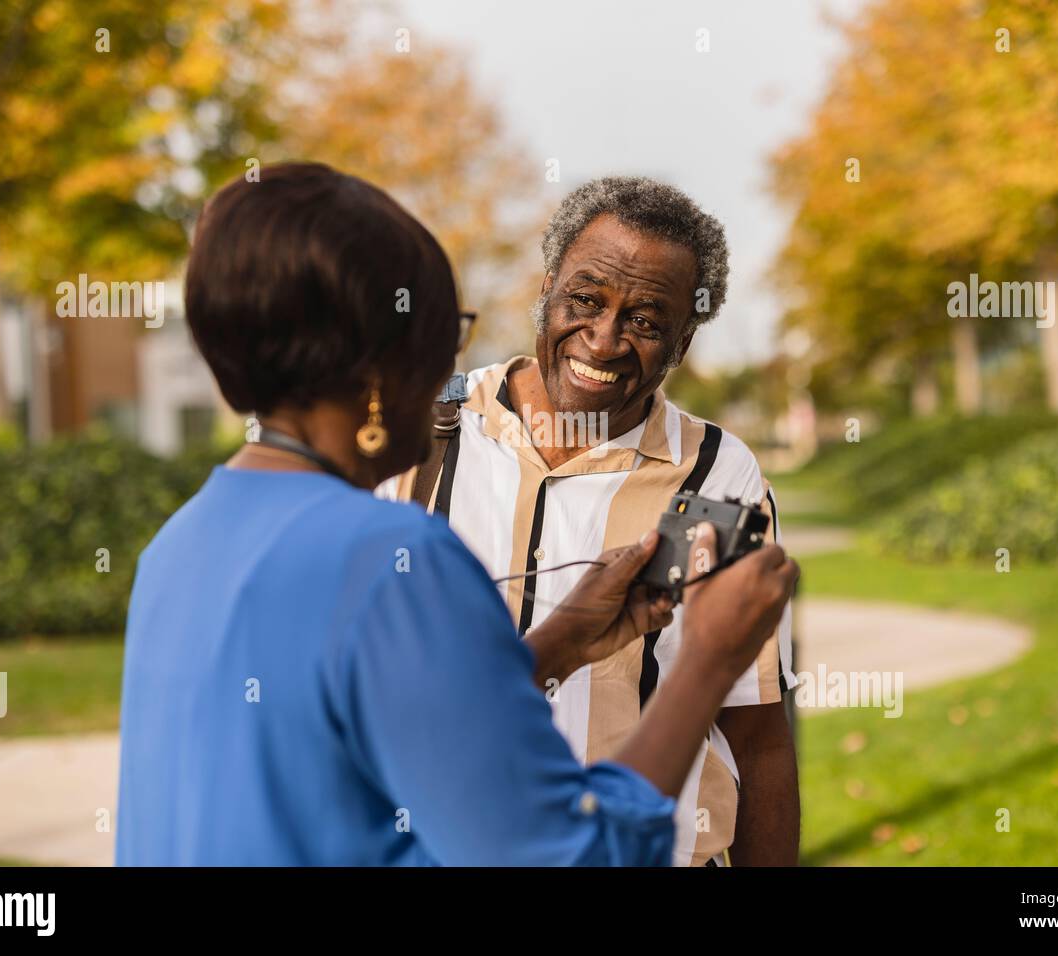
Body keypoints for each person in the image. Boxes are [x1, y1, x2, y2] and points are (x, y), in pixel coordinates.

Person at [114, 162, 799, 866]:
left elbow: (392, 742)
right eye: (448, 329)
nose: (457, 363)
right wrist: (708, 663)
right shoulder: (391, 559)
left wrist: (560, 641)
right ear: (383, 366)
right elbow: (571, 856)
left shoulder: (181, 543)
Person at [381, 177, 798, 866]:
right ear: (546, 291)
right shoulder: (422, 429)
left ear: (683, 342)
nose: (603, 342)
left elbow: (755, 730)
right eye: (585, 299)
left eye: (645, 320)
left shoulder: (718, 474)